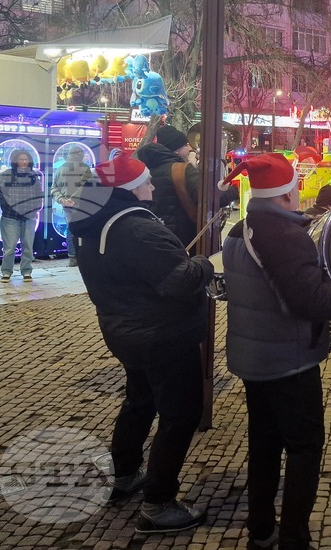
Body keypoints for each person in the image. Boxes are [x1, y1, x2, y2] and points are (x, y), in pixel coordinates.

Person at [222, 153, 331, 550]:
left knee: (264, 444)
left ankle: (261, 530)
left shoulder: (241, 229)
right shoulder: (284, 236)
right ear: (288, 193)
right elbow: (306, 299)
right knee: (304, 448)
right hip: (288, 362)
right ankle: (294, 538)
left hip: (257, 360)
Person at [72, 153, 215, 534]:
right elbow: (179, 280)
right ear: (129, 188)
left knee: (140, 401)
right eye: (147, 181)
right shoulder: (136, 228)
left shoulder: (95, 224)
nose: (152, 186)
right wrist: (204, 264)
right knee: (180, 414)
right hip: (163, 336)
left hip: (127, 332)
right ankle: (159, 504)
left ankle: (124, 475)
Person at [135, 125, 200, 251]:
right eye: (186, 144)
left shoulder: (146, 169)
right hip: (184, 239)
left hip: (156, 237)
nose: (190, 148)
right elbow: (207, 197)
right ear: (176, 150)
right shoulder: (182, 169)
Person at [0, 149, 44, 283]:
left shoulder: (33, 176)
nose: (24, 162)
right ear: (15, 161)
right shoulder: (6, 175)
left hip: (29, 216)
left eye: (26, 159)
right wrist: (9, 203)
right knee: (9, 247)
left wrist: (37, 206)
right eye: (21, 159)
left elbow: (39, 193)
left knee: (28, 246)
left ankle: (26, 271)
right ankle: (6, 271)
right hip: (10, 216)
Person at [51, 143, 94, 267]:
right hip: (82, 204)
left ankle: (72, 257)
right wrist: (73, 199)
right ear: (80, 155)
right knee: (84, 229)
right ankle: (83, 256)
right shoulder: (84, 168)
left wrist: (62, 200)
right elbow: (86, 186)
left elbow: (54, 188)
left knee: (70, 230)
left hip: (66, 205)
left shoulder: (60, 169)